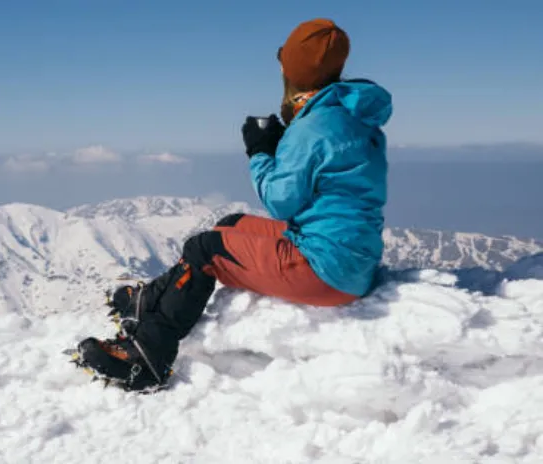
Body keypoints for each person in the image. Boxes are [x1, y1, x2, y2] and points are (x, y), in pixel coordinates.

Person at [72, 18, 392, 392]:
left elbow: (280, 200)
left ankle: (148, 357)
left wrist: (260, 151)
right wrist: (283, 146)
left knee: (204, 249)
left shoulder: (314, 127)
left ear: (293, 70)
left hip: (324, 270)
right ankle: (149, 301)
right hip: (352, 260)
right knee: (231, 224)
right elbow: (324, 183)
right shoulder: (352, 118)